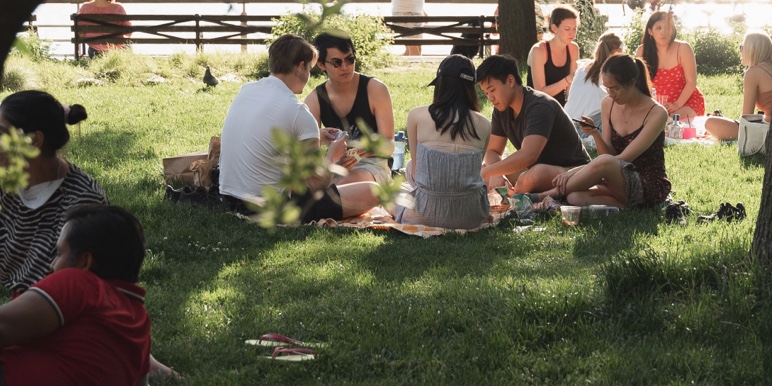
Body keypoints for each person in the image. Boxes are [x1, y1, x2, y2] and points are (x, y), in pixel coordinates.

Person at [0, 90, 179, 381]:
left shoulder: (82, 200)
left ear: (34, 140)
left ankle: (142, 357)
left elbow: (94, 282)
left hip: (65, 306)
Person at [219, 34, 379, 223]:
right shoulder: (299, 113)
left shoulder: (247, 91)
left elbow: (267, 134)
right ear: (301, 66)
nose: (309, 76)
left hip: (228, 198)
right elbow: (315, 184)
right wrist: (332, 157)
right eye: (310, 69)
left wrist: (316, 136)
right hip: (271, 208)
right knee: (373, 191)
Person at [0, 204, 151, 385]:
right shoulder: (139, 321)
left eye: (59, 253)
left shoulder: (80, 283)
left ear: (84, 262)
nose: (52, 265)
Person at [539, 54, 671, 209]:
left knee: (605, 163)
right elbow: (607, 154)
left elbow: (621, 160)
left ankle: (544, 195)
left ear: (632, 83)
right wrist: (595, 133)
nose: (611, 94)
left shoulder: (657, 113)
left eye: (615, 88)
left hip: (646, 182)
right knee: (575, 197)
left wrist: (572, 173)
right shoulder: (608, 103)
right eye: (607, 88)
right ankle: (627, 207)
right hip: (615, 179)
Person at [392, 54, 492, 229]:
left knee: (393, 190)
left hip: (424, 214)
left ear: (440, 85)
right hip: (471, 215)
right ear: (471, 88)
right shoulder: (484, 124)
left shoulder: (416, 115)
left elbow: (415, 173)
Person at [477, 55, 591, 195]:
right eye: (486, 93)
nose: (490, 98)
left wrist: (488, 172)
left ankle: (515, 196)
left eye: (492, 90)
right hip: (532, 170)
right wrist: (494, 174)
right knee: (491, 170)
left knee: (535, 174)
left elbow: (528, 155)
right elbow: (492, 151)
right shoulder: (501, 109)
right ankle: (519, 192)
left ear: (510, 80)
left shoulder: (539, 105)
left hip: (571, 170)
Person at [304, 32, 395, 185]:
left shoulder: (375, 89)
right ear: (321, 64)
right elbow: (307, 152)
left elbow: (389, 144)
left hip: (372, 165)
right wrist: (320, 139)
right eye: (336, 63)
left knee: (342, 185)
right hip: (336, 164)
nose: (345, 67)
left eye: (350, 60)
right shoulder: (315, 99)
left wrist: (369, 149)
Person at [705, 31, 772, 141]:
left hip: (768, 131)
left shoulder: (753, 72)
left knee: (710, 122)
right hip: (766, 123)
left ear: (752, 49)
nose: (740, 51)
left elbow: (747, 116)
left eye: (742, 47)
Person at [636, 10, 705, 117]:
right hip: (655, 105)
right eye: (658, 28)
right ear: (650, 31)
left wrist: (676, 105)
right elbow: (639, 84)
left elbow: (691, 82)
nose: (663, 32)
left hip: (685, 102)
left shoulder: (683, 48)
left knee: (670, 122)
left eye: (668, 27)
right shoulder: (642, 51)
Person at [564, 31, 623, 137]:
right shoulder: (613, 72)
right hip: (588, 126)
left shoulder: (583, 68)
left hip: (567, 124)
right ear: (619, 51)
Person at [527, 5, 580, 106]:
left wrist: (571, 108)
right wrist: (569, 79)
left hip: (561, 106)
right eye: (567, 29)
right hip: (537, 105)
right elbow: (540, 92)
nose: (572, 33)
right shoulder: (539, 50)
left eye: (574, 28)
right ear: (554, 28)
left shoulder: (573, 48)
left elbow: (570, 91)